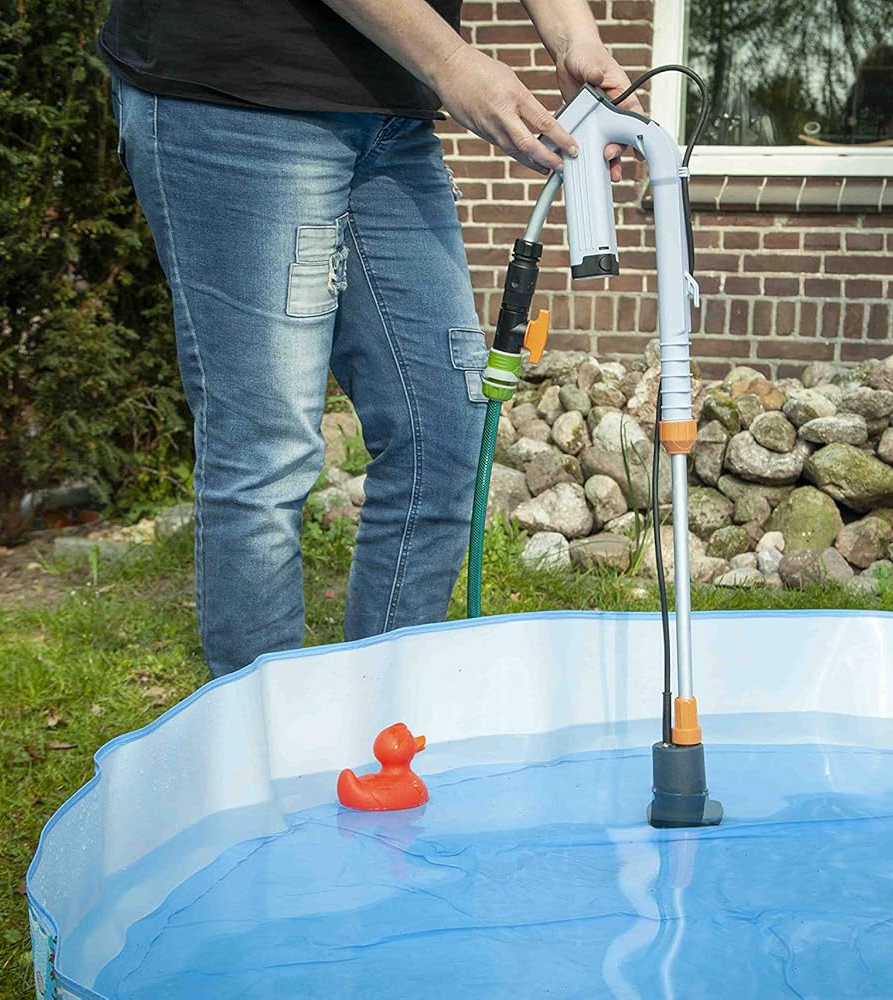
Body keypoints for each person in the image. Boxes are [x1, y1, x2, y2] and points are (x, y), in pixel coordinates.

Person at [99, 0, 638, 677]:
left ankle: (380, 717)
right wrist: (452, 62)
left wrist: (574, 38)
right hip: (238, 96)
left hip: (390, 115)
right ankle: (267, 735)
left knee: (444, 437)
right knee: (267, 454)